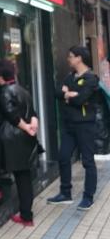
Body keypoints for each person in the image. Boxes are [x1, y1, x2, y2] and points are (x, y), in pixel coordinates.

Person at [47, 45, 99, 210]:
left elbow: (81, 99)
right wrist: (68, 94)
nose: (68, 59)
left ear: (79, 58)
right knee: (63, 157)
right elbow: (57, 92)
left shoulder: (91, 78)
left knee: (87, 161)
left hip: (85, 125)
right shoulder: (70, 77)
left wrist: (69, 94)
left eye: (70, 56)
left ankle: (88, 197)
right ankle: (65, 193)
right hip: (69, 125)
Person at [0, 59, 38, 227]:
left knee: (20, 177)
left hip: (13, 139)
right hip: (26, 138)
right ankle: (26, 213)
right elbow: (32, 111)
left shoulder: (3, 92)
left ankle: (26, 216)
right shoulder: (22, 90)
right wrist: (33, 126)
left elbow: (11, 114)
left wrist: (26, 127)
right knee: (24, 177)